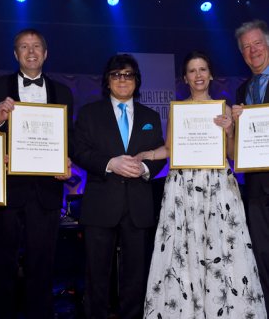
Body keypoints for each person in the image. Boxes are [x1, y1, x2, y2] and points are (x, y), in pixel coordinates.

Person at [136, 50, 266, 318]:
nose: (198, 75)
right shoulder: (178, 110)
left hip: (217, 188)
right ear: (185, 77)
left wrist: (230, 130)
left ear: (211, 74)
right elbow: (170, 148)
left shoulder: (225, 109)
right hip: (183, 188)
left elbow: (231, 155)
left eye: (203, 69)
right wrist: (147, 155)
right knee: (184, 249)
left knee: (221, 248)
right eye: (193, 71)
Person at [73, 53, 166, 319]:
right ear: (107, 80)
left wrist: (146, 168)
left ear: (137, 81)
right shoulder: (90, 113)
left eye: (128, 75)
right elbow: (79, 150)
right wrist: (110, 163)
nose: (122, 80)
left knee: (136, 276)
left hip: (138, 206)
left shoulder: (150, 115)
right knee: (96, 275)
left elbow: (159, 153)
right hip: (101, 205)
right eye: (116, 75)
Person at [0, 28, 74, 319]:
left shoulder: (63, 92)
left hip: (47, 192)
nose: (31, 52)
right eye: (24, 47)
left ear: (46, 53)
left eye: (36, 46)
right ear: (16, 54)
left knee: (42, 266)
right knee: (2, 264)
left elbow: (69, 138)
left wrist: (67, 164)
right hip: (7, 191)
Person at [232, 19, 269, 315]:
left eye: (257, 43)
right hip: (256, 190)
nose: (252, 51)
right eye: (246, 48)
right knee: (263, 259)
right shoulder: (242, 91)